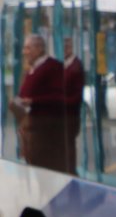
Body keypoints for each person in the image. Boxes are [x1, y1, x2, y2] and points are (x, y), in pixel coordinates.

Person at [9, 32, 73, 172]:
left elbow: (59, 96)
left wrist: (33, 101)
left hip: (46, 131)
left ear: (39, 49)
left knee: (46, 169)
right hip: (30, 128)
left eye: (27, 48)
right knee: (34, 167)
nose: (24, 52)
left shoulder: (52, 67)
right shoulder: (32, 69)